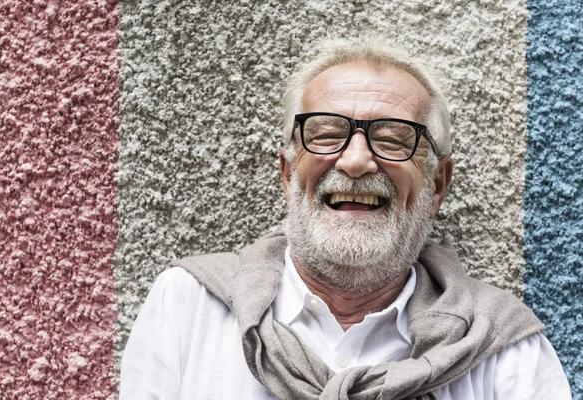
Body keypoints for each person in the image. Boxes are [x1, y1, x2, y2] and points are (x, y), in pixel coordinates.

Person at [119, 36, 572, 399]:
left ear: (436, 185)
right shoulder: (188, 307)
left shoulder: (506, 351)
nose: (356, 161)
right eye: (327, 134)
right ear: (287, 172)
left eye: (394, 139)